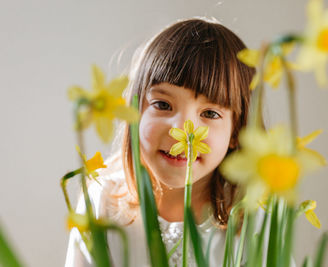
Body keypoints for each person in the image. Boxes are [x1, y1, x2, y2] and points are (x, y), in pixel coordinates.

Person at [64, 17, 256, 267]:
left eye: (209, 113)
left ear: (236, 132)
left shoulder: (251, 216)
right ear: (134, 112)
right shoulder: (104, 202)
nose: (182, 131)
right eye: (163, 105)